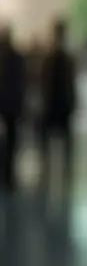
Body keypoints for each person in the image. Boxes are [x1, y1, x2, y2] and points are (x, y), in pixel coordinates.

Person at [39, 19, 77, 184]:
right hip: (58, 103)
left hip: (58, 103)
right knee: (60, 137)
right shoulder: (62, 58)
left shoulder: (57, 58)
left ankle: (54, 167)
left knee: (58, 138)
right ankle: (57, 167)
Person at [0, 27, 26, 190]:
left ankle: (6, 174)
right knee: (10, 141)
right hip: (12, 106)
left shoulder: (9, 58)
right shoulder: (17, 58)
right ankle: (8, 176)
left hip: (8, 105)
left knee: (8, 142)